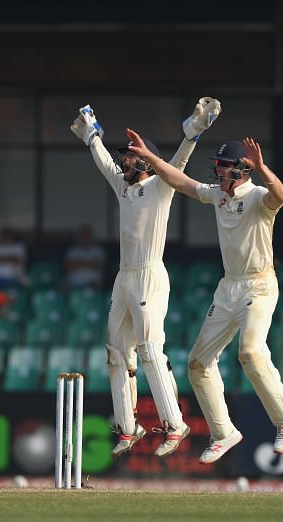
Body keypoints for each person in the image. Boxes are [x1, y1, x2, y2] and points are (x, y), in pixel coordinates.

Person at [126, 129, 283, 464]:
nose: (218, 171)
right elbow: (181, 182)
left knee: (250, 352)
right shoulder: (219, 196)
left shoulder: (257, 197)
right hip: (228, 287)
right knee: (198, 363)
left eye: (224, 166)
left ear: (242, 170)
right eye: (217, 166)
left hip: (259, 285)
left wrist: (263, 168)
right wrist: (151, 160)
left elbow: (282, 196)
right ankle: (224, 433)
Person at [70, 98, 221, 457]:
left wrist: (194, 131)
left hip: (150, 274)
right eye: (125, 155)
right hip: (124, 277)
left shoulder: (160, 186)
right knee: (116, 351)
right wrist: (92, 133)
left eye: (131, 155)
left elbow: (179, 163)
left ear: (145, 160)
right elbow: (104, 161)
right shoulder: (124, 186)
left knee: (150, 350)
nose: (124, 160)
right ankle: (128, 427)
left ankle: (176, 423)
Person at [64, 224, 105, 290]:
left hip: (93, 284)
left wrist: (77, 262)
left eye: (87, 235)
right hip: (73, 284)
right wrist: (89, 262)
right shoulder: (72, 251)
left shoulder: (98, 250)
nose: (85, 237)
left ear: (91, 236)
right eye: (83, 235)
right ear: (79, 236)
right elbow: (69, 267)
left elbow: (97, 265)